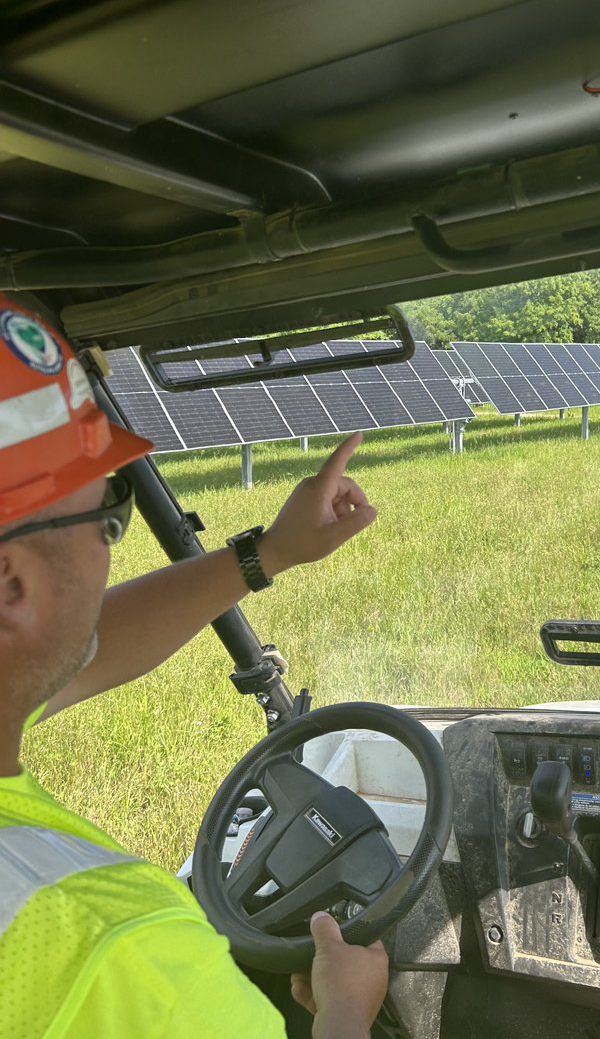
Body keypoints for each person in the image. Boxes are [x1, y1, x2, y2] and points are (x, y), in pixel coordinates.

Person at [0, 293, 389, 1038]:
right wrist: (345, 1011)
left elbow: (74, 644)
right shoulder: (123, 958)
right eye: (107, 509)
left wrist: (266, 553)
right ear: (13, 585)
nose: (110, 544)